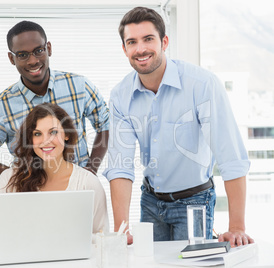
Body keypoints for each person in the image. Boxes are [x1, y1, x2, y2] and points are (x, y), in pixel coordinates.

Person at [103, 7, 254, 247]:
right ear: (124, 49)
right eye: (132, 42)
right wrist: (121, 230)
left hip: (195, 202)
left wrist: (237, 227)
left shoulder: (202, 84)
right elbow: (120, 165)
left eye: (148, 39)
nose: (140, 49)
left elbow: (231, 157)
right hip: (150, 203)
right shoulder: (121, 95)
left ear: (164, 41)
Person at [0, 20, 109, 179]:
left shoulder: (79, 86)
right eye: (22, 55)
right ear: (11, 59)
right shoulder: (2, 106)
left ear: (49, 49)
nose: (33, 61)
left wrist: (91, 170)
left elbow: (106, 124)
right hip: (31, 195)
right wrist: (16, 178)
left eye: (38, 50)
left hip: (80, 190)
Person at [0, 103, 109, 250]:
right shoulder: (9, 179)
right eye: (37, 134)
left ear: (67, 134)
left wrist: (66, 237)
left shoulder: (88, 183)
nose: (46, 140)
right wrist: (7, 235)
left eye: (53, 132)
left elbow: (103, 241)